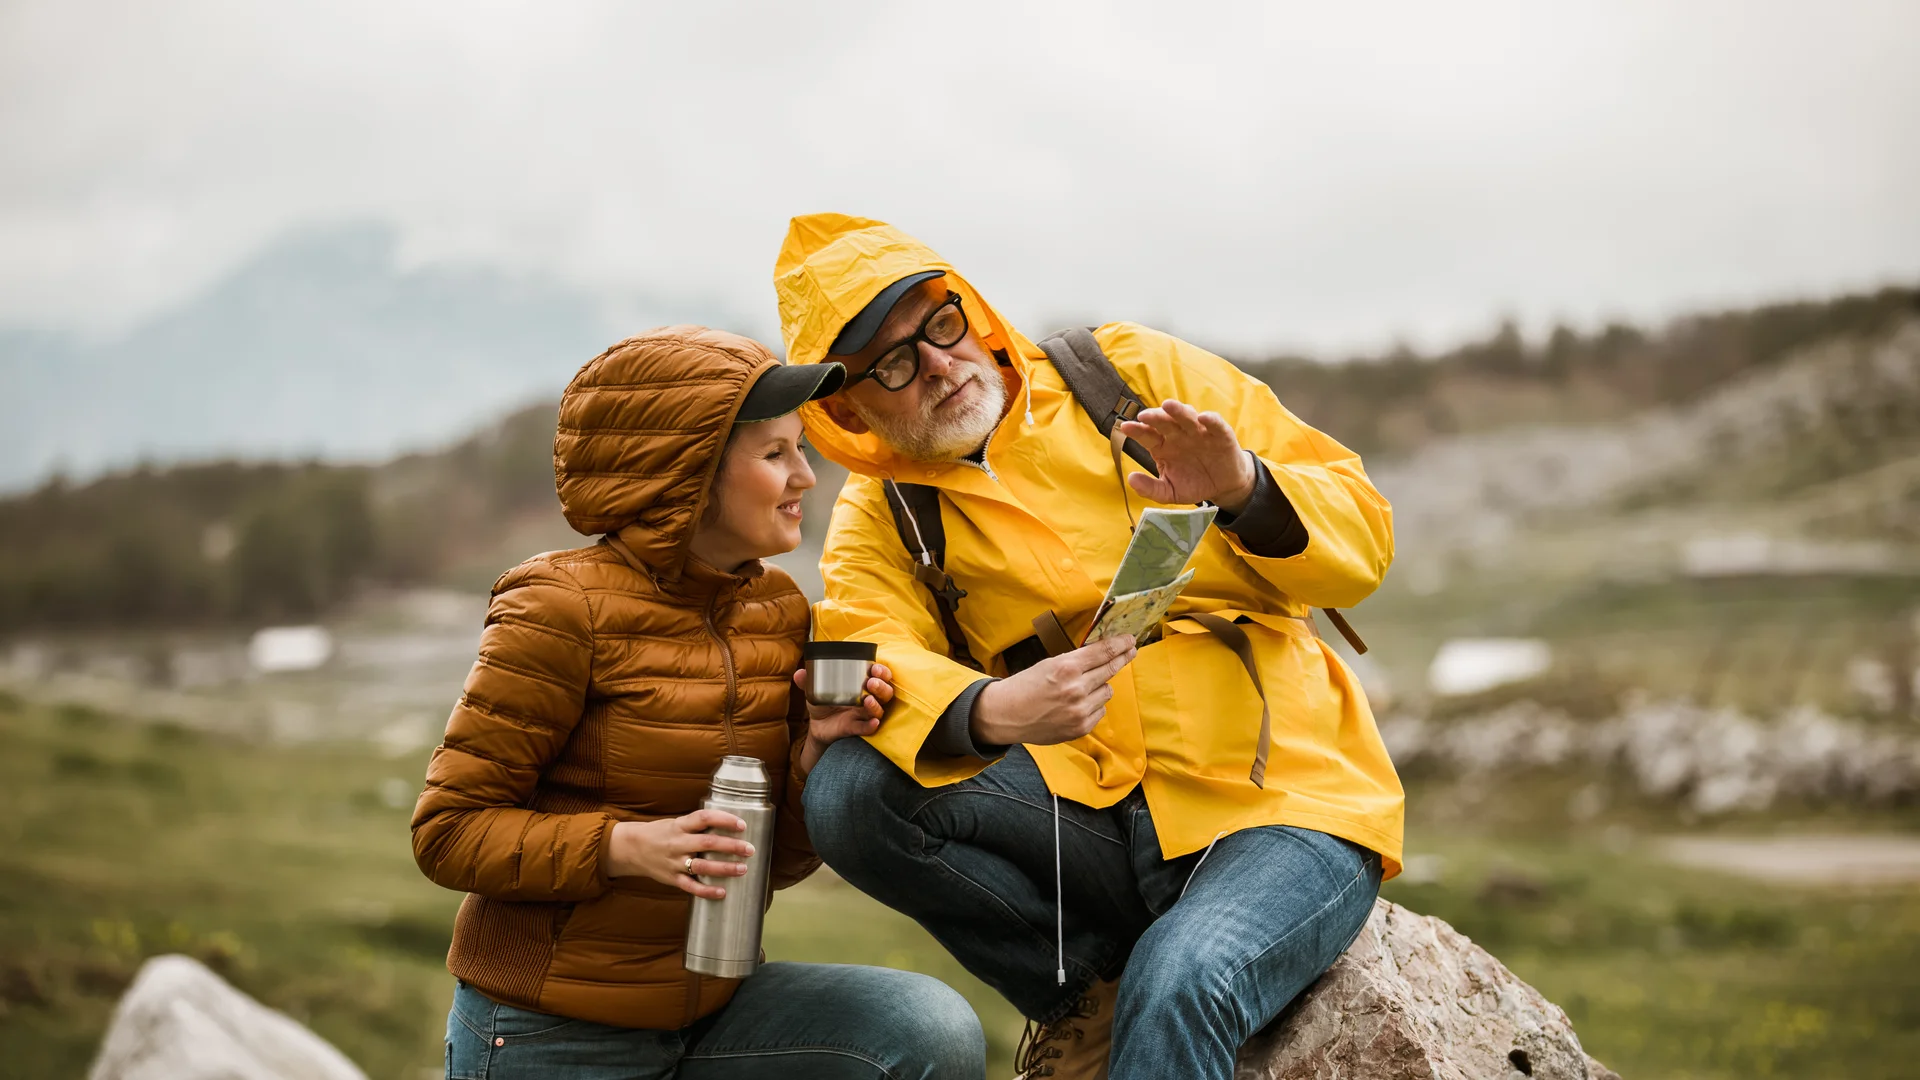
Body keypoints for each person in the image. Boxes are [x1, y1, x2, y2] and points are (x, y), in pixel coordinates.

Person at [772, 215, 1403, 1080]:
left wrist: (1246, 487)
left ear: (972, 311)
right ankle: (1085, 991)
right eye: (893, 363)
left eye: (940, 323)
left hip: (1280, 799)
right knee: (850, 791)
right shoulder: (880, 516)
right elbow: (865, 644)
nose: (939, 364)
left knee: (1180, 978)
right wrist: (989, 711)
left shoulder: (1128, 371)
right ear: (846, 409)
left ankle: (1138, 979)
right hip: (1084, 822)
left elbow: (1364, 532)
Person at [410, 325, 987, 1079]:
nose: (804, 479)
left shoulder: (777, 612)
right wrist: (626, 847)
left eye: (800, 450)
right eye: (774, 454)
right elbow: (448, 832)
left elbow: (769, 868)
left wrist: (816, 749)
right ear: (686, 474)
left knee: (924, 1029)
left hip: (715, 1014)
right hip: (548, 1033)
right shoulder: (558, 608)